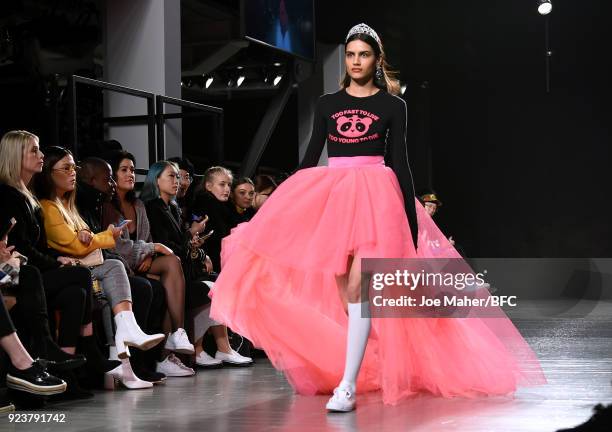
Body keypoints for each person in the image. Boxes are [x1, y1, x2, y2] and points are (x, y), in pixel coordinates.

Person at [210, 23, 546, 412]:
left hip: (375, 198)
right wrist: (285, 205)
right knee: (344, 294)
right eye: (350, 54)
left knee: (358, 289)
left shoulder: (392, 105)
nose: (355, 61)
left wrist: (410, 217)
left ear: (376, 59)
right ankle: (369, 350)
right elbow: (309, 159)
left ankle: (347, 386)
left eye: (363, 54)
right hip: (333, 195)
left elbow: (401, 163)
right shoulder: (327, 104)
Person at [33, 146, 165, 389]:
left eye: (74, 167)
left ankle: (123, 363)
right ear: (50, 174)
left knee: (113, 288)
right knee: (114, 270)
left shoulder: (68, 205)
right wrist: (106, 236)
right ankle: (125, 339)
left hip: (84, 269)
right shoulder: (49, 207)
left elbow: (84, 234)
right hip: (69, 270)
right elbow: (75, 245)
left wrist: (88, 234)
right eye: (67, 168)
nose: (73, 172)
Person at [0, 130, 119, 385]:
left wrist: (55, 258)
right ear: (15, 156)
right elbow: (20, 247)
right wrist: (55, 261)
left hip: (27, 268)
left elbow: (36, 245)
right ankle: (84, 347)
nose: (41, 155)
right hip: (15, 271)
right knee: (77, 274)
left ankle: (67, 375)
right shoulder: (8, 195)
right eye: (34, 150)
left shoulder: (26, 195)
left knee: (76, 293)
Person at [143, 161, 251, 367]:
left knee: (216, 288)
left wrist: (194, 244)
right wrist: (192, 236)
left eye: (179, 176)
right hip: (167, 270)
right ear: (156, 180)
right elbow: (166, 245)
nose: (178, 181)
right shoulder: (154, 208)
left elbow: (179, 244)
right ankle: (183, 350)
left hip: (183, 268)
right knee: (213, 288)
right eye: (172, 176)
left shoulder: (172, 207)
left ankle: (215, 348)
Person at [76, 156, 167, 384]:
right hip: (103, 265)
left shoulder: (136, 205)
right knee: (141, 285)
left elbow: (137, 241)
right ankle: (128, 361)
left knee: (154, 285)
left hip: (122, 264)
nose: (127, 176)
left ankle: (148, 356)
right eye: (119, 172)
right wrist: (147, 250)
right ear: (93, 179)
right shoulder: (102, 204)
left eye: (133, 169)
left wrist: (149, 252)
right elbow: (114, 246)